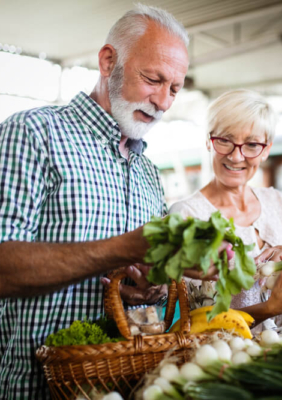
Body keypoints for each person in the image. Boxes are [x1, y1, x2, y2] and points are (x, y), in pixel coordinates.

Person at [0, 5, 190, 399]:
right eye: (153, 79)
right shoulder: (33, 133)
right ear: (108, 62)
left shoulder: (148, 172)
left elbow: (146, 290)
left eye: (174, 88)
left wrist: (147, 288)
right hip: (34, 388)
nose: (164, 102)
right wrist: (120, 248)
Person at [169, 90, 282, 329]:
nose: (236, 156)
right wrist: (270, 309)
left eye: (251, 144)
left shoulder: (276, 203)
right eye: (225, 140)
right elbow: (196, 322)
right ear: (208, 141)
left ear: (266, 150)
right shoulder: (187, 215)